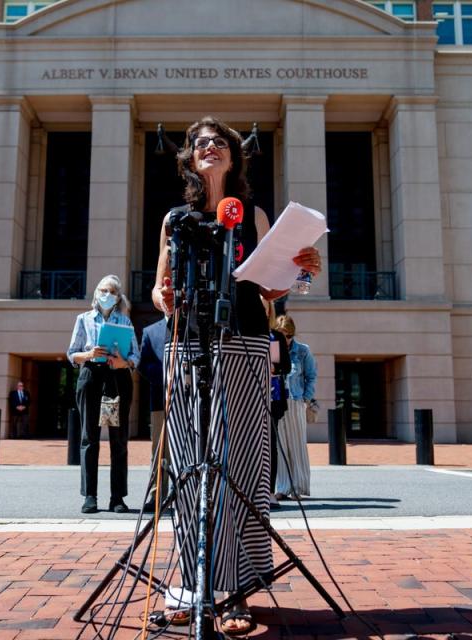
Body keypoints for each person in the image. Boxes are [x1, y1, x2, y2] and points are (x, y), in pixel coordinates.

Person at [152, 116, 321, 635]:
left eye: (219, 142)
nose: (209, 147)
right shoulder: (174, 219)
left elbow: (271, 289)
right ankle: (192, 581)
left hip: (245, 344)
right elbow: (159, 290)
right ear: (189, 158)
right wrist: (165, 300)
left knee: (243, 463)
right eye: (200, 143)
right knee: (189, 464)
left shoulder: (253, 214)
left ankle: (238, 589)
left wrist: (302, 269)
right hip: (189, 346)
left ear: (233, 155)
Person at [67, 274, 140, 515]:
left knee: (118, 439)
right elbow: (72, 354)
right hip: (91, 376)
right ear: (96, 293)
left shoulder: (125, 322)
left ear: (118, 297)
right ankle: (90, 496)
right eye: (102, 290)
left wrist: (124, 363)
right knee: (90, 437)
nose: (106, 295)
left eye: (111, 291)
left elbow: (135, 356)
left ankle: (117, 497)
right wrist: (88, 354)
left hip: (116, 378)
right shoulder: (83, 319)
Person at [275, 314, 316, 500]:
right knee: (280, 444)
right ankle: (282, 487)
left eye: (289, 335)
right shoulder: (272, 349)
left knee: (297, 445)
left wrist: (306, 399)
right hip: (277, 400)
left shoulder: (302, 351)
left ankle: (298, 487)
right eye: (283, 335)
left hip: (295, 401)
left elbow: (311, 376)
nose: (287, 339)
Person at [137, 316, 169, 510]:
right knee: (159, 451)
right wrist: (164, 372)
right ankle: (157, 495)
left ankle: (190, 495)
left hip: (189, 399)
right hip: (159, 400)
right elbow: (143, 364)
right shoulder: (150, 331)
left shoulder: (192, 325)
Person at [265, 299, 291, 509]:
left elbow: (287, 367)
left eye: (266, 307)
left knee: (270, 446)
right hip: (250, 395)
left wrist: (275, 368)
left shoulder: (277, 336)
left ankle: (270, 492)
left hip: (273, 398)